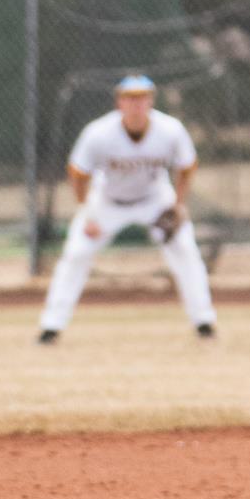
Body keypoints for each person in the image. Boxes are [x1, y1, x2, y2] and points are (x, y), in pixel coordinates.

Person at [37, 74, 218, 343]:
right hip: (107, 201)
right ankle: (51, 326)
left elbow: (187, 166)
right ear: (119, 102)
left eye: (141, 98)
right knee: (76, 254)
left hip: (155, 199)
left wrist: (179, 206)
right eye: (130, 98)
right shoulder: (98, 133)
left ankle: (204, 321)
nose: (136, 104)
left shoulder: (170, 130)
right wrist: (87, 213)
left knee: (184, 249)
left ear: (151, 101)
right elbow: (77, 173)